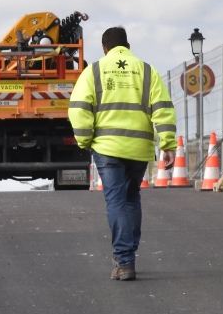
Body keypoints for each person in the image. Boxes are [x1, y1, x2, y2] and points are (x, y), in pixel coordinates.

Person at [68, 26, 176, 281]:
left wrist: (84, 141)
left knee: (116, 201)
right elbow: (163, 108)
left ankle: (125, 259)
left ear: (104, 48)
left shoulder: (94, 70)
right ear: (127, 46)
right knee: (131, 197)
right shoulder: (147, 70)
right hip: (138, 148)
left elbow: (79, 108)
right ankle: (129, 250)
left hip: (106, 148)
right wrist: (168, 144)